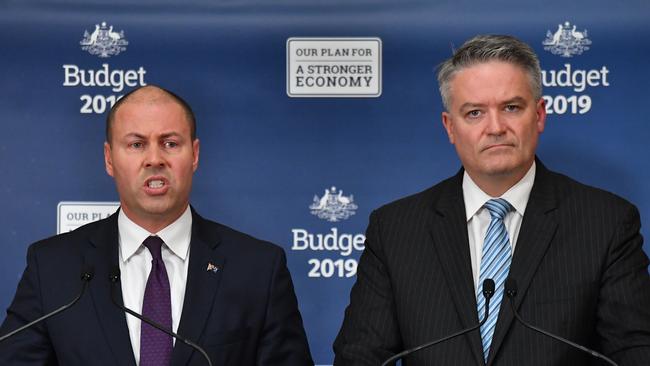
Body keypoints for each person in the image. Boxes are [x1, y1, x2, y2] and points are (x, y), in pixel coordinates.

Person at [333, 35, 650, 365]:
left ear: (539, 115)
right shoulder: (396, 230)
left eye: (511, 107)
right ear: (450, 127)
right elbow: (360, 356)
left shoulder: (605, 223)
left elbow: (636, 354)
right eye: (474, 113)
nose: (495, 127)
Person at [0, 85, 314, 365]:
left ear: (195, 155)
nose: (154, 159)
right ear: (109, 159)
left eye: (170, 143)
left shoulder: (258, 269)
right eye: (136, 145)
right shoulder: (53, 267)